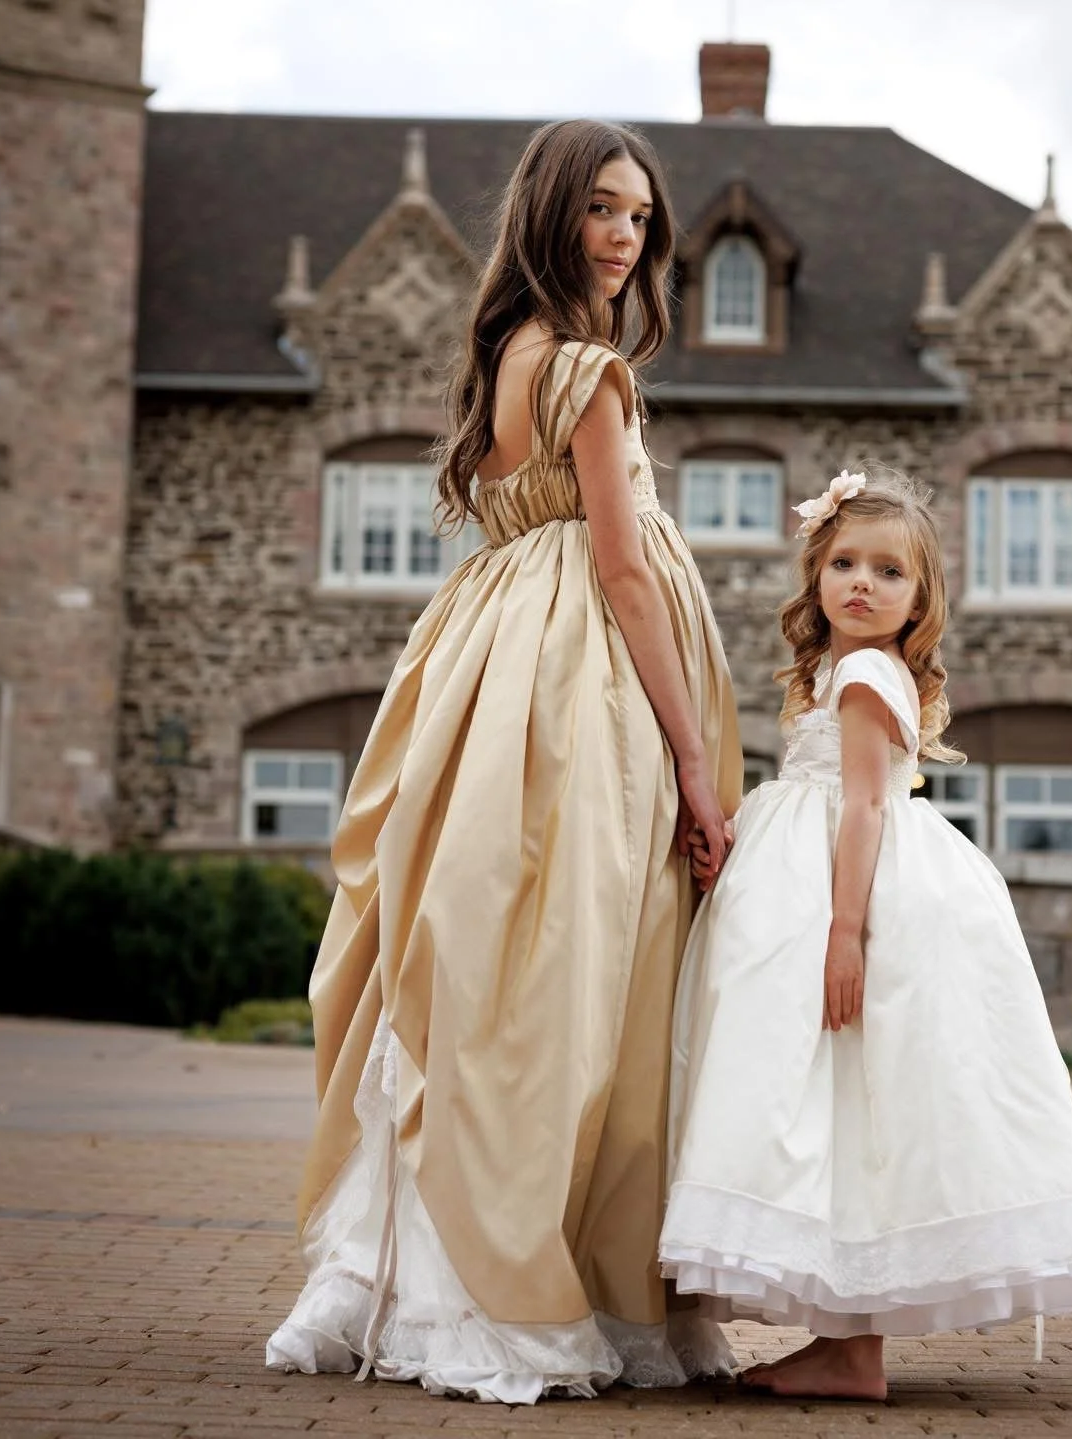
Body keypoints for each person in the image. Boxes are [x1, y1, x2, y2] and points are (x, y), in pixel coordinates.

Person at [266, 119, 742, 1405]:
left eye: (639, 216)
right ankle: (528, 1271)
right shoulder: (586, 368)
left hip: (482, 663)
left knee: (476, 958)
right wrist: (697, 767)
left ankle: (409, 1265)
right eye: (599, 209)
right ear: (549, 213)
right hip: (573, 686)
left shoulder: (502, 359)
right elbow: (626, 571)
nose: (623, 235)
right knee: (569, 972)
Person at [660, 470, 1072, 1400]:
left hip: (850, 895)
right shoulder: (841, 670)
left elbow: (865, 803)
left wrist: (843, 933)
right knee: (851, 1102)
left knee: (838, 1093)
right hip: (815, 879)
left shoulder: (868, 672)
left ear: (921, 600)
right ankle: (848, 1345)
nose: (861, 583)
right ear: (815, 572)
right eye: (843, 563)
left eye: (888, 572)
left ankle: (850, 1343)